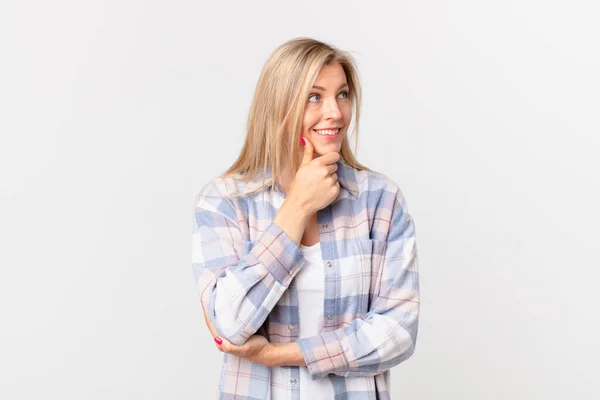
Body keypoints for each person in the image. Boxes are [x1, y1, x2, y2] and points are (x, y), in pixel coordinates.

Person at [192, 37, 420, 399]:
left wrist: (279, 354)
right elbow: (230, 325)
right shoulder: (225, 202)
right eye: (315, 97)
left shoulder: (380, 200)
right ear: (278, 106)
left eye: (342, 94)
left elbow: (399, 332)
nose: (335, 112)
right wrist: (296, 207)